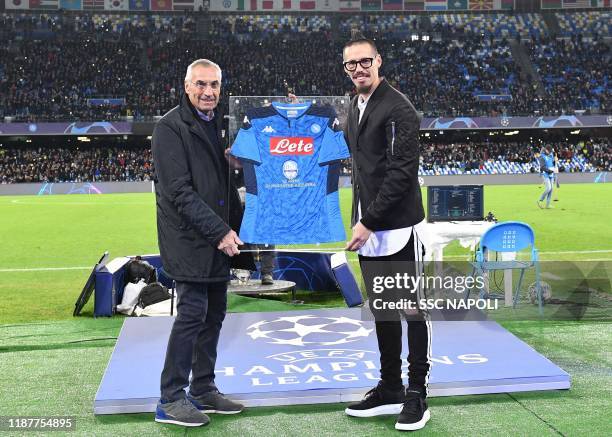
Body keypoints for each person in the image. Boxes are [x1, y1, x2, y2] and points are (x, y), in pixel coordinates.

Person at [151, 59, 253, 427]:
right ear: (186, 85)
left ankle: (203, 388)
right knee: (192, 315)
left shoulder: (217, 125)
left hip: (215, 239)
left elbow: (220, 183)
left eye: (214, 85)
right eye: (201, 85)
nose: (208, 92)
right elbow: (179, 192)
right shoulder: (169, 128)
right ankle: (170, 398)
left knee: (214, 314)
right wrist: (221, 232)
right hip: (190, 240)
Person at [342, 37, 432, 431]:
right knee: (382, 309)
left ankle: (417, 395)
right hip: (370, 226)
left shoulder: (398, 108)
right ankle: (391, 386)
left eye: (365, 61)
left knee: (411, 309)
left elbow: (400, 175)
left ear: (378, 61)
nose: (359, 69)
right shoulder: (355, 104)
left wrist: (367, 222)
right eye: (351, 64)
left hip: (395, 227)